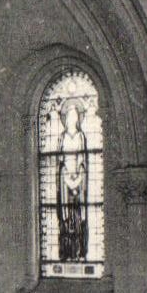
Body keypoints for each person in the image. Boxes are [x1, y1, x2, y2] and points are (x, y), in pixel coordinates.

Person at [56, 99, 89, 261]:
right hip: (64, 179)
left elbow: (83, 159)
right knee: (66, 217)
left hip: (78, 179)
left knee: (78, 216)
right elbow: (59, 160)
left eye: (74, 115)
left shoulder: (81, 136)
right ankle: (67, 253)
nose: (72, 118)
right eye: (69, 116)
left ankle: (80, 252)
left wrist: (78, 176)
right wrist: (66, 176)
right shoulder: (62, 137)